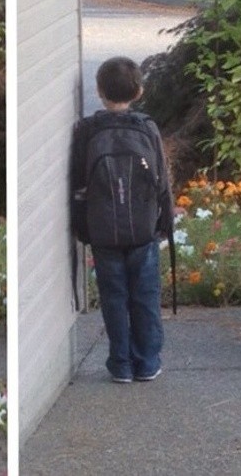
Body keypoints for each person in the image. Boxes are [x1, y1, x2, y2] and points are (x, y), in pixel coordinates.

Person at [71, 56, 174, 383]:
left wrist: (81, 227)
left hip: (103, 234)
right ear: (139, 91)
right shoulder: (147, 128)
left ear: (99, 91)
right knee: (145, 298)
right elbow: (163, 181)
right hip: (143, 230)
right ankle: (147, 362)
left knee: (114, 298)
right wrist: (165, 222)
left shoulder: (88, 130)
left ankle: (121, 364)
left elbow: (77, 184)